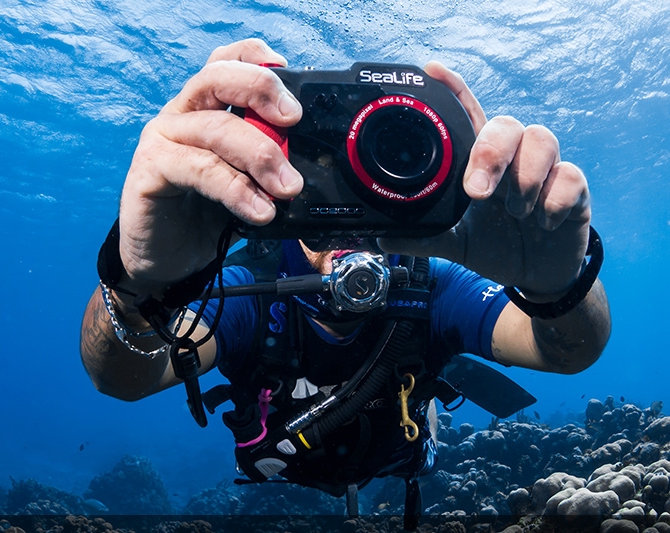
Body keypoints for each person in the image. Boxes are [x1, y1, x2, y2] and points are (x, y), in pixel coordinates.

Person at [79, 39, 611, 517]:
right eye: (320, 179)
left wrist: (555, 286)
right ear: (279, 180)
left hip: (399, 455)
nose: (352, 217)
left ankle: (431, 398)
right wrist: (139, 286)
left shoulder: (432, 286)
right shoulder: (249, 292)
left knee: (421, 397)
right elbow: (121, 377)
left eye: (376, 185)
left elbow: (566, 351)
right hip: (289, 467)